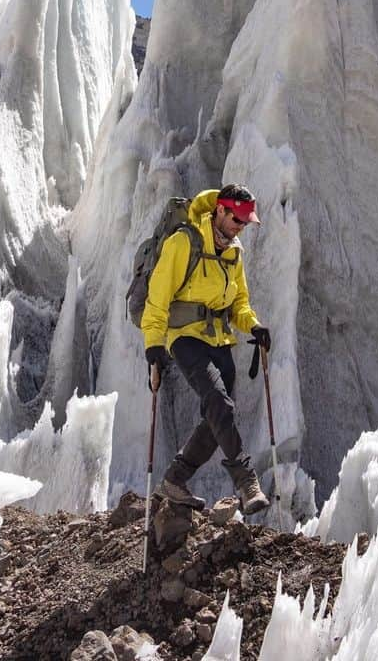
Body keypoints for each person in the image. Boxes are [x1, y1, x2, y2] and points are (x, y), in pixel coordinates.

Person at [141, 184, 273, 513]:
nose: (241, 227)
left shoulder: (233, 253)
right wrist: (154, 345)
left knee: (216, 418)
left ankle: (175, 480)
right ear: (220, 212)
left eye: (245, 222)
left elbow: (238, 303)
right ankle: (246, 480)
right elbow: (158, 298)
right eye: (237, 220)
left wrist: (252, 324)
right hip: (185, 338)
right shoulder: (183, 242)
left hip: (219, 340)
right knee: (219, 404)